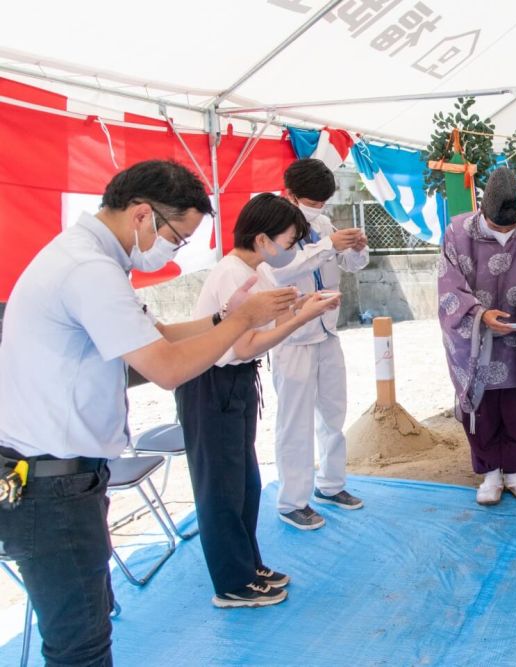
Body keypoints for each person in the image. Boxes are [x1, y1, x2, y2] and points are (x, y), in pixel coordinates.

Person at [0, 161, 297, 665]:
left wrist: (225, 317)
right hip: (50, 485)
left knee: (84, 630)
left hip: (65, 477)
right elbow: (167, 367)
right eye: (177, 238)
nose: (172, 251)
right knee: (80, 645)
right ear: (142, 214)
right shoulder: (88, 270)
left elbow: (154, 334)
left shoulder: (91, 259)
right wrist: (243, 319)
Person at [175, 193, 342, 609]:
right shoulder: (232, 273)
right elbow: (246, 344)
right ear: (263, 238)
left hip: (236, 383)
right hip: (212, 383)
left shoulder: (256, 269)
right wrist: (303, 317)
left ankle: (248, 564)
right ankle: (231, 583)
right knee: (221, 488)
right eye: (289, 241)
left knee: (245, 483)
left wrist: (304, 304)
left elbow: (270, 318)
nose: (291, 250)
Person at [438, 167, 516, 506]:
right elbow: (449, 286)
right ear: (483, 211)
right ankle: (490, 474)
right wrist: (478, 314)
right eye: (497, 227)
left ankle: (515, 472)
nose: (505, 233)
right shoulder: (457, 232)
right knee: (482, 404)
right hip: (475, 338)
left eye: (511, 227)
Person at [259, 158, 369, 530]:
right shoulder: (271, 227)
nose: (317, 209)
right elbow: (277, 270)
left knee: (334, 413)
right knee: (295, 422)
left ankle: (331, 484)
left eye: (322, 203)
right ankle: (292, 501)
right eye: (311, 202)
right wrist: (325, 247)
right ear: (289, 193)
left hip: (328, 331)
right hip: (292, 336)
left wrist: (354, 248)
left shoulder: (323, 224)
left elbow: (353, 267)